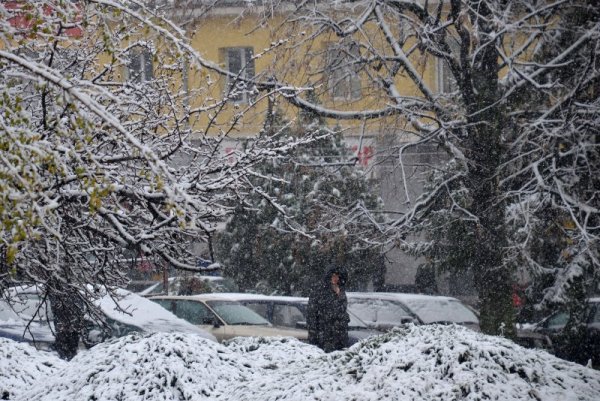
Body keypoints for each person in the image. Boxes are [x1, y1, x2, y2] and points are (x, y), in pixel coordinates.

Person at [306, 267, 350, 352]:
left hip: (340, 335)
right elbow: (311, 313)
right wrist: (313, 333)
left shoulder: (341, 291)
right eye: (333, 276)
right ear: (329, 276)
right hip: (324, 334)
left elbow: (343, 310)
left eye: (338, 276)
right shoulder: (319, 291)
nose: (336, 278)